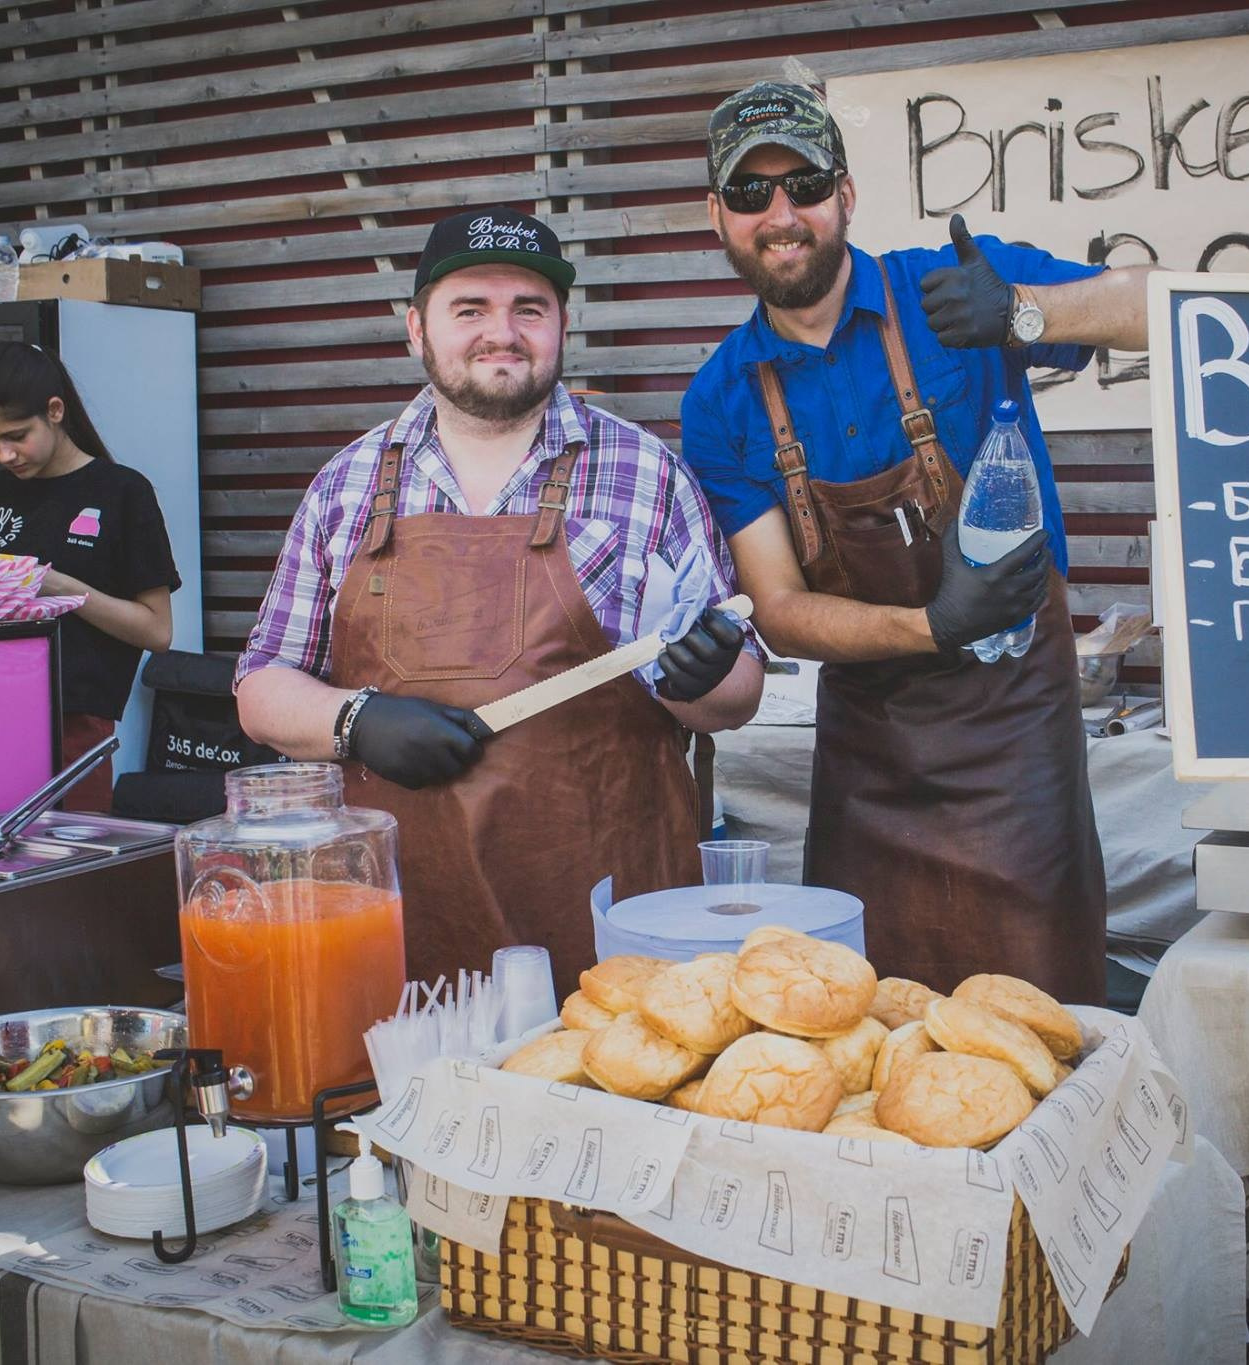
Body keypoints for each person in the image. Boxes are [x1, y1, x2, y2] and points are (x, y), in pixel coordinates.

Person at [681, 83, 1155, 1006]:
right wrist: (934, 624)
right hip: (871, 750)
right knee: (869, 1021)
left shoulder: (947, 286)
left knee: (1038, 1013)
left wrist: (1023, 312)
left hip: (1015, 723)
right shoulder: (722, 399)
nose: (781, 215)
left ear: (846, 195)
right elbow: (777, 607)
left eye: (804, 183)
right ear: (719, 217)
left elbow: (1159, 306)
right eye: (750, 193)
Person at [237, 206, 762, 1000]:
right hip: (399, 933)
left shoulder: (647, 475)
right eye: (470, 309)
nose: (502, 332)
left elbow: (738, 695)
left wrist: (705, 681)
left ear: (561, 324)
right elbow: (261, 685)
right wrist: (355, 720)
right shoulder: (345, 486)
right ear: (417, 328)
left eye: (529, 309)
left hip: (615, 935)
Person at [0, 341, 180, 813]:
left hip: (76, 722)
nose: (4, 454)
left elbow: (158, 631)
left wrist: (59, 586)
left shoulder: (123, 492)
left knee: (71, 867)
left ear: (55, 411)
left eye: (16, 436)